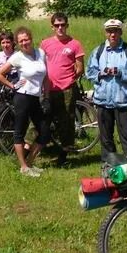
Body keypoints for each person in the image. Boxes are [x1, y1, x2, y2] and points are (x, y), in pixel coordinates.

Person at [0, 27, 51, 177]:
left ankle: (30, 162)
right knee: (19, 132)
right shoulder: (17, 57)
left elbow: (45, 77)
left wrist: (46, 97)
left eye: (26, 39)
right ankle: (23, 167)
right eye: (20, 41)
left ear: (31, 38)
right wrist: (12, 85)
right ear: (17, 44)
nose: (24, 43)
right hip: (22, 97)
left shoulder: (41, 53)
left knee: (44, 132)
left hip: (36, 98)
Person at [86, 19, 127, 159]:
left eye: (116, 31)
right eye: (110, 31)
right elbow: (89, 72)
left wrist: (121, 73)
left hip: (122, 101)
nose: (113, 34)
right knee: (106, 137)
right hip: (102, 101)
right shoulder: (98, 51)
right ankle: (109, 164)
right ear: (106, 33)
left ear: (120, 32)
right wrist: (100, 73)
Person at [40, 12, 85, 166]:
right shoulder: (45, 44)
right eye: (57, 25)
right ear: (52, 27)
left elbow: (80, 68)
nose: (60, 28)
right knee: (43, 118)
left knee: (67, 120)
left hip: (66, 89)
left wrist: (69, 80)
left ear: (67, 25)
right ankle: (39, 148)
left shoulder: (75, 44)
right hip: (48, 88)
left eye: (63, 25)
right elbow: (40, 64)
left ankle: (64, 154)